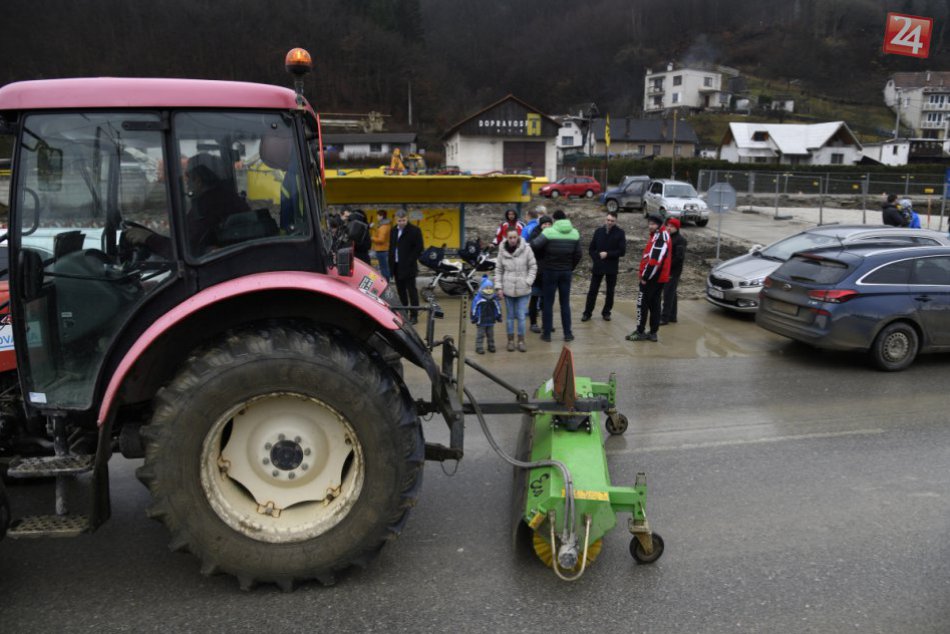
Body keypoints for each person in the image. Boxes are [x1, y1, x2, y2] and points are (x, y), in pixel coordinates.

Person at [125, 153, 250, 258]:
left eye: (188, 177)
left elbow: (184, 251)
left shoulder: (207, 207)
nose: (186, 182)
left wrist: (148, 238)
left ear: (197, 179)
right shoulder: (228, 198)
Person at [531, 209, 582, 342]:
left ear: (554, 220)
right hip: (566, 272)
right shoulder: (575, 233)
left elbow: (534, 246)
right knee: (565, 303)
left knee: (548, 303)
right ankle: (568, 334)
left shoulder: (548, 232)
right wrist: (570, 267)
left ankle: (547, 334)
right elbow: (578, 254)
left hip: (550, 271)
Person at [627, 214, 671, 342]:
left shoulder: (661, 237)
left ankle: (641, 331)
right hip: (657, 278)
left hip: (653, 278)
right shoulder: (658, 235)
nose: (650, 226)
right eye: (649, 223)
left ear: (658, 225)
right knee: (654, 304)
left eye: (653, 224)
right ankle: (652, 333)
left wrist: (645, 277)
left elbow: (655, 260)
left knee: (642, 304)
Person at [495, 228, 537, 352]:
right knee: (510, 317)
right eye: (510, 237)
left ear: (518, 237)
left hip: (523, 289)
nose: (513, 240)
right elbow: (498, 270)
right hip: (508, 289)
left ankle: (521, 340)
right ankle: (510, 341)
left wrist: (528, 281)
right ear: (506, 238)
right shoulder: (502, 251)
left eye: (514, 237)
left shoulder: (527, 249)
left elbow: (533, 266)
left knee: (521, 316)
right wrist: (499, 287)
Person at [582, 210, 626, 322]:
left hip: (611, 267)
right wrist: (596, 258)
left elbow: (622, 251)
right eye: (608, 220)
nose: (609, 222)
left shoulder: (620, 233)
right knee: (592, 290)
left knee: (610, 291)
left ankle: (606, 312)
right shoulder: (599, 231)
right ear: (605, 219)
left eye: (612, 221)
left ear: (615, 221)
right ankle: (587, 313)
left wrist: (608, 254)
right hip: (598, 265)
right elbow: (591, 249)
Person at [389, 210, 424, 324]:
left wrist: (409, 261)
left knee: (412, 291)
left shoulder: (414, 231)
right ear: (396, 220)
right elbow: (392, 248)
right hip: (396, 265)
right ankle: (404, 314)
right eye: (399, 221)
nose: (402, 223)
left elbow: (419, 248)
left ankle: (414, 315)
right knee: (401, 291)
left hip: (409, 266)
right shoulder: (394, 230)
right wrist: (391, 266)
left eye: (404, 220)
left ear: (407, 219)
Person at [527, 214, 553, 333]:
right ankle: (533, 323)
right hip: (537, 273)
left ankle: (546, 323)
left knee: (546, 300)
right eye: (545, 224)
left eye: (549, 224)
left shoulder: (553, 234)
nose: (547, 226)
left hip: (549, 272)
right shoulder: (535, 234)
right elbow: (533, 248)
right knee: (535, 297)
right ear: (541, 225)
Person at [660, 217, 687, 325]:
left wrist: (666, 267)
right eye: (668, 226)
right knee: (672, 294)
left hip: (673, 271)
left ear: (677, 228)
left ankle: (664, 317)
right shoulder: (667, 237)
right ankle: (672, 316)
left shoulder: (680, 240)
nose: (669, 228)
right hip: (666, 269)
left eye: (672, 226)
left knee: (668, 294)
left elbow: (679, 258)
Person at [471, 276, 502, 354]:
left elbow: (497, 307)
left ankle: (491, 346)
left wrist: (498, 316)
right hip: (481, 321)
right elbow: (474, 308)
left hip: (491, 321)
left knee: (491, 335)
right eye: (486, 288)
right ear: (482, 288)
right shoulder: (478, 298)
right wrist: (474, 317)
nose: (488, 290)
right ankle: (479, 347)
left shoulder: (494, 298)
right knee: (480, 335)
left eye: (490, 288)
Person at [370, 209, 392, 280]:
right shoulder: (385, 225)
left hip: (382, 250)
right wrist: (373, 229)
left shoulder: (383, 227)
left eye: (378, 215)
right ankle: (386, 281)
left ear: (381, 216)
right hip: (384, 249)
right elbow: (379, 234)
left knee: (384, 268)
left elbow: (381, 240)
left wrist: (371, 238)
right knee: (384, 267)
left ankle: (386, 282)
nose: (377, 217)